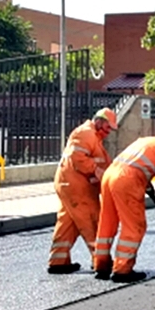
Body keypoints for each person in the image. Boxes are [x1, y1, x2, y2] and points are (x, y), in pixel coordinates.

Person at [93, 127, 155, 283]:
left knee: (107, 223)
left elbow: (137, 163)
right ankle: (122, 270)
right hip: (127, 180)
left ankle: (101, 265)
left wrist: (146, 181)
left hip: (109, 175)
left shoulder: (147, 140)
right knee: (134, 226)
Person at [47, 108, 116, 274]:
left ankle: (58, 260)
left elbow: (105, 164)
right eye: (107, 127)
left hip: (70, 185)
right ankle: (101, 262)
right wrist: (96, 171)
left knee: (68, 223)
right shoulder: (85, 134)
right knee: (92, 220)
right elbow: (77, 159)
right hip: (77, 186)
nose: (108, 132)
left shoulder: (95, 138)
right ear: (99, 121)